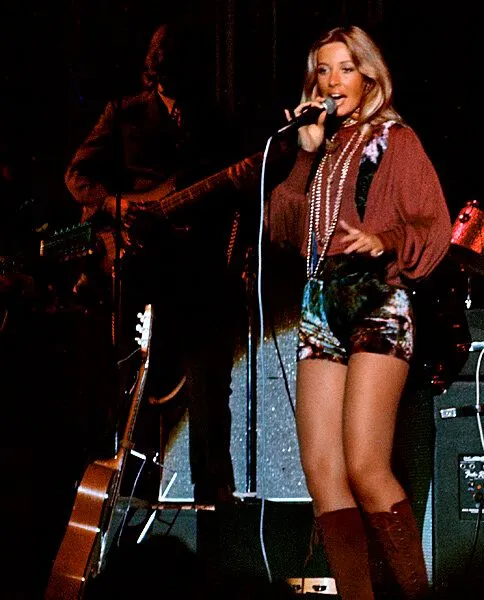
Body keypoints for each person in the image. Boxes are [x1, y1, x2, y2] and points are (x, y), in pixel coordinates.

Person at [266, 25, 451, 600]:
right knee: (323, 472)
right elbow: (282, 227)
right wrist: (304, 154)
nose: (332, 81)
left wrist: (384, 239)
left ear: (369, 76)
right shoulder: (321, 147)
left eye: (345, 69)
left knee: (366, 467)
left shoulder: (397, 140)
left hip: (377, 298)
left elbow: (434, 225)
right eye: (322, 70)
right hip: (321, 302)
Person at [64, 22, 253, 506]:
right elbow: (77, 175)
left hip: (200, 271)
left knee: (210, 386)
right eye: (163, 70)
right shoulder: (123, 113)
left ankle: (213, 498)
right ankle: (132, 498)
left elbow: (240, 193)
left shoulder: (216, 121)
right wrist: (119, 206)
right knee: (136, 388)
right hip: (140, 268)